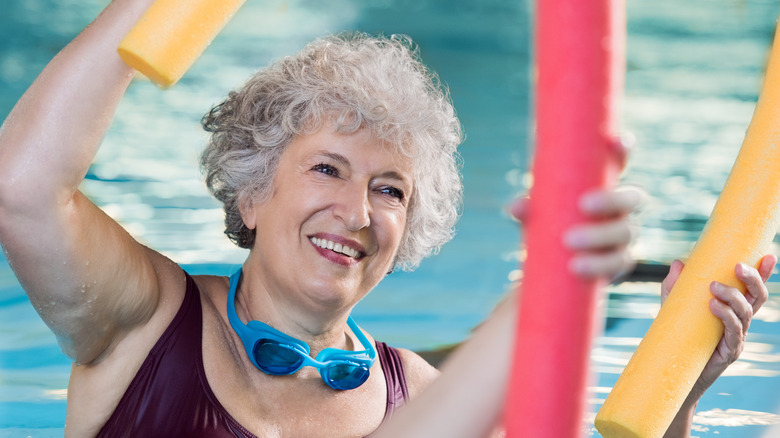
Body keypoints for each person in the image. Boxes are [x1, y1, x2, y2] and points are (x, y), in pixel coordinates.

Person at [0, 0, 771, 437]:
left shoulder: (421, 392)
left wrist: (683, 392)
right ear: (251, 192)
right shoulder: (145, 322)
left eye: (392, 190)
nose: (359, 212)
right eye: (328, 168)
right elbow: (24, 188)